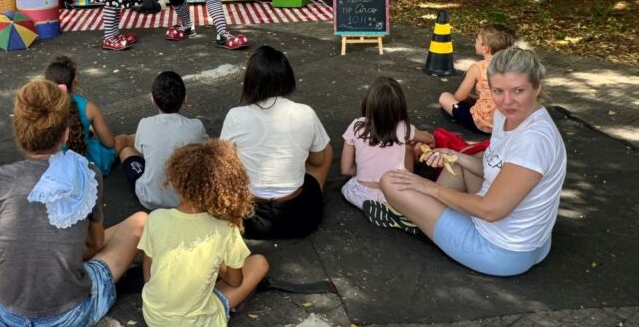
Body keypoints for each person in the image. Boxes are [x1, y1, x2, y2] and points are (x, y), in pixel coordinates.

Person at [0, 79, 147, 327]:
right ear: (65, 133)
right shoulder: (87, 174)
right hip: (69, 318)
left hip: (6, 315)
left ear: (18, 132)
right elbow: (95, 246)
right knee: (140, 220)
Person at [381, 48, 567, 276]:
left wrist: (429, 188)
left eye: (518, 90)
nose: (507, 101)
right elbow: (493, 168)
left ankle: (423, 216)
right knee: (460, 160)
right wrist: (454, 155)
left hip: (500, 251)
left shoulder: (534, 140)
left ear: (537, 87)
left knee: (390, 181)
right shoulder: (508, 116)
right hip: (529, 241)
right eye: (498, 91)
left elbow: (490, 211)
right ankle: (431, 212)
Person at [138, 139, 269, 327]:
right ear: (225, 189)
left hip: (154, 315)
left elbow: (149, 273)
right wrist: (217, 266)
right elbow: (235, 281)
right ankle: (229, 307)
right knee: (260, 262)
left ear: (177, 181)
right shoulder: (225, 230)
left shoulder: (156, 218)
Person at [220, 45, 333, 238]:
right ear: (287, 78)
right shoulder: (305, 113)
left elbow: (223, 164)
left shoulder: (236, 116)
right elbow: (317, 160)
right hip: (298, 219)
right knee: (326, 149)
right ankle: (315, 196)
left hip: (246, 220)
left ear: (250, 81)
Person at [340, 76, 434, 231]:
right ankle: (402, 210)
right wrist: (413, 140)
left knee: (350, 187)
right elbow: (429, 138)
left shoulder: (356, 126)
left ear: (369, 103)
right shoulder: (403, 128)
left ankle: (385, 211)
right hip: (396, 192)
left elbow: (346, 169)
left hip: (362, 193)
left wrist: (366, 168)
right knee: (409, 150)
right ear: (400, 107)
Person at [116, 70, 208, 210]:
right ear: (185, 98)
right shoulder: (196, 126)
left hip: (150, 198)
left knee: (126, 151)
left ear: (152, 99)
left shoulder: (145, 123)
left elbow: (140, 151)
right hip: (187, 200)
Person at [44, 55, 117, 176]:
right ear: (74, 81)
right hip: (87, 165)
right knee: (124, 140)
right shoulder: (88, 108)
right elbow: (109, 143)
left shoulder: (37, 106)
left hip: (52, 168)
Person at [439, 24, 517, 135]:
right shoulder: (516, 66)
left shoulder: (478, 68)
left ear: (485, 47)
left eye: (477, 40)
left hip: (484, 124)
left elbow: (459, 96)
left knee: (445, 97)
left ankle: (463, 122)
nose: (475, 42)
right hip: (509, 124)